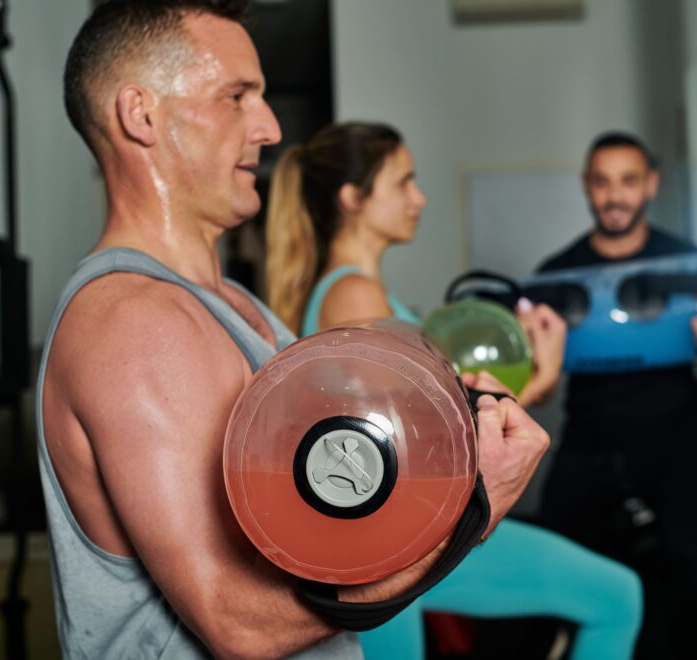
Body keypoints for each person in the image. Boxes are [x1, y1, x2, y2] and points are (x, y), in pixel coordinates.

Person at [38, 3, 550, 658]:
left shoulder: (233, 304)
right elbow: (240, 624)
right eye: (236, 96)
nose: (271, 127)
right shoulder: (136, 321)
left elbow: (329, 521)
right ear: (141, 114)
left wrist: (456, 441)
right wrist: (475, 506)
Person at [265, 121, 643, 660]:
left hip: (412, 531)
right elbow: (409, 446)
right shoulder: (353, 293)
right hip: (394, 539)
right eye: (404, 181)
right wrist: (540, 380)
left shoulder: (363, 292)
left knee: (614, 595)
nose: (419, 198)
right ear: (353, 198)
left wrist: (524, 384)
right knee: (615, 597)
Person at [535, 132, 697, 660]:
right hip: (591, 441)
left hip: (678, 439)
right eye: (602, 182)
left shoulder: (687, 265)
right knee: (564, 572)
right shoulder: (556, 275)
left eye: (628, 180)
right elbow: (539, 390)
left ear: (651, 184)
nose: (615, 196)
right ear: (586, 186)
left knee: (693, 580)